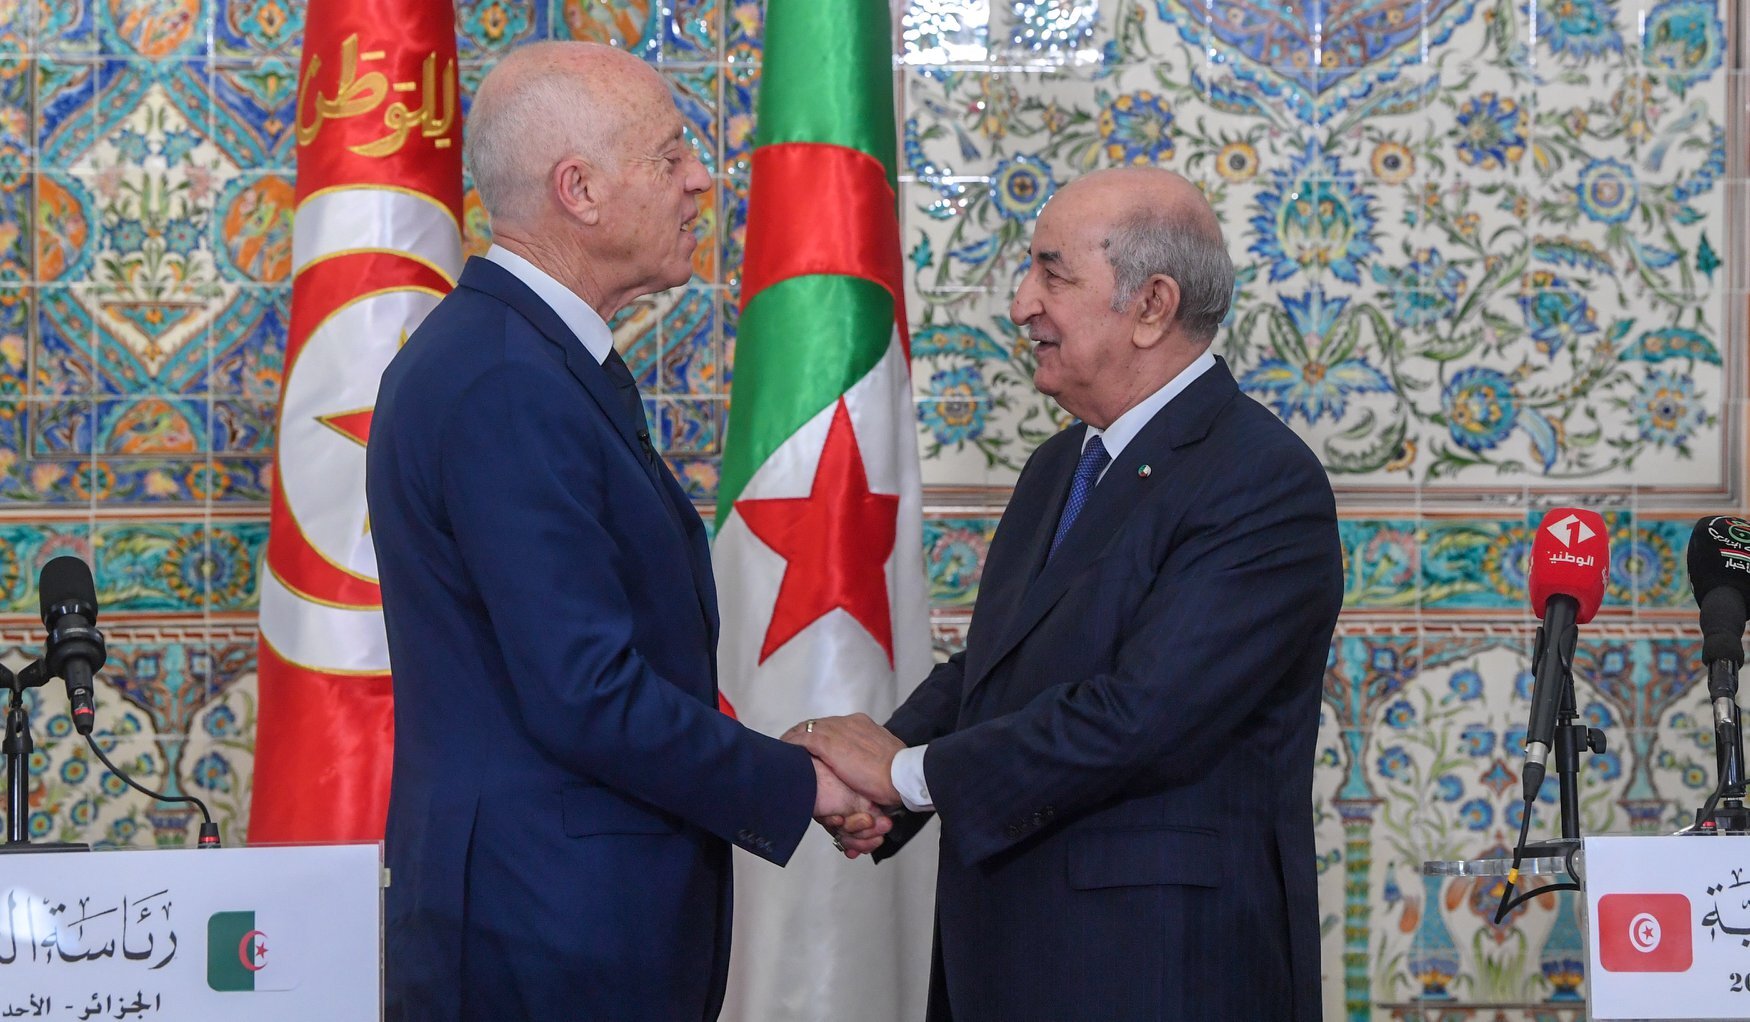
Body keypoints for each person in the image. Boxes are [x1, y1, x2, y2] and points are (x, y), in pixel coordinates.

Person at [366, 41, 885, 1022]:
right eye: (669, 154)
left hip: (557, 912)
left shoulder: (528, 357)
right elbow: (584, 690)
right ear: (580, 190)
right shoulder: (508, 381)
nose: (700, 179)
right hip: (544, 931)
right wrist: (797, 783)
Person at [789, 167, 1342, 1020]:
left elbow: (1141, 717)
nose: (1021, 304)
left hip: (1159, 973)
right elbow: (1002, 665)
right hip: (1011, 958)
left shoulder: (1261, 481)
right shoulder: (1063, 464)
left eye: (1053, 273)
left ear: (1152, 305)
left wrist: (905, 773)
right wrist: (879, 779)